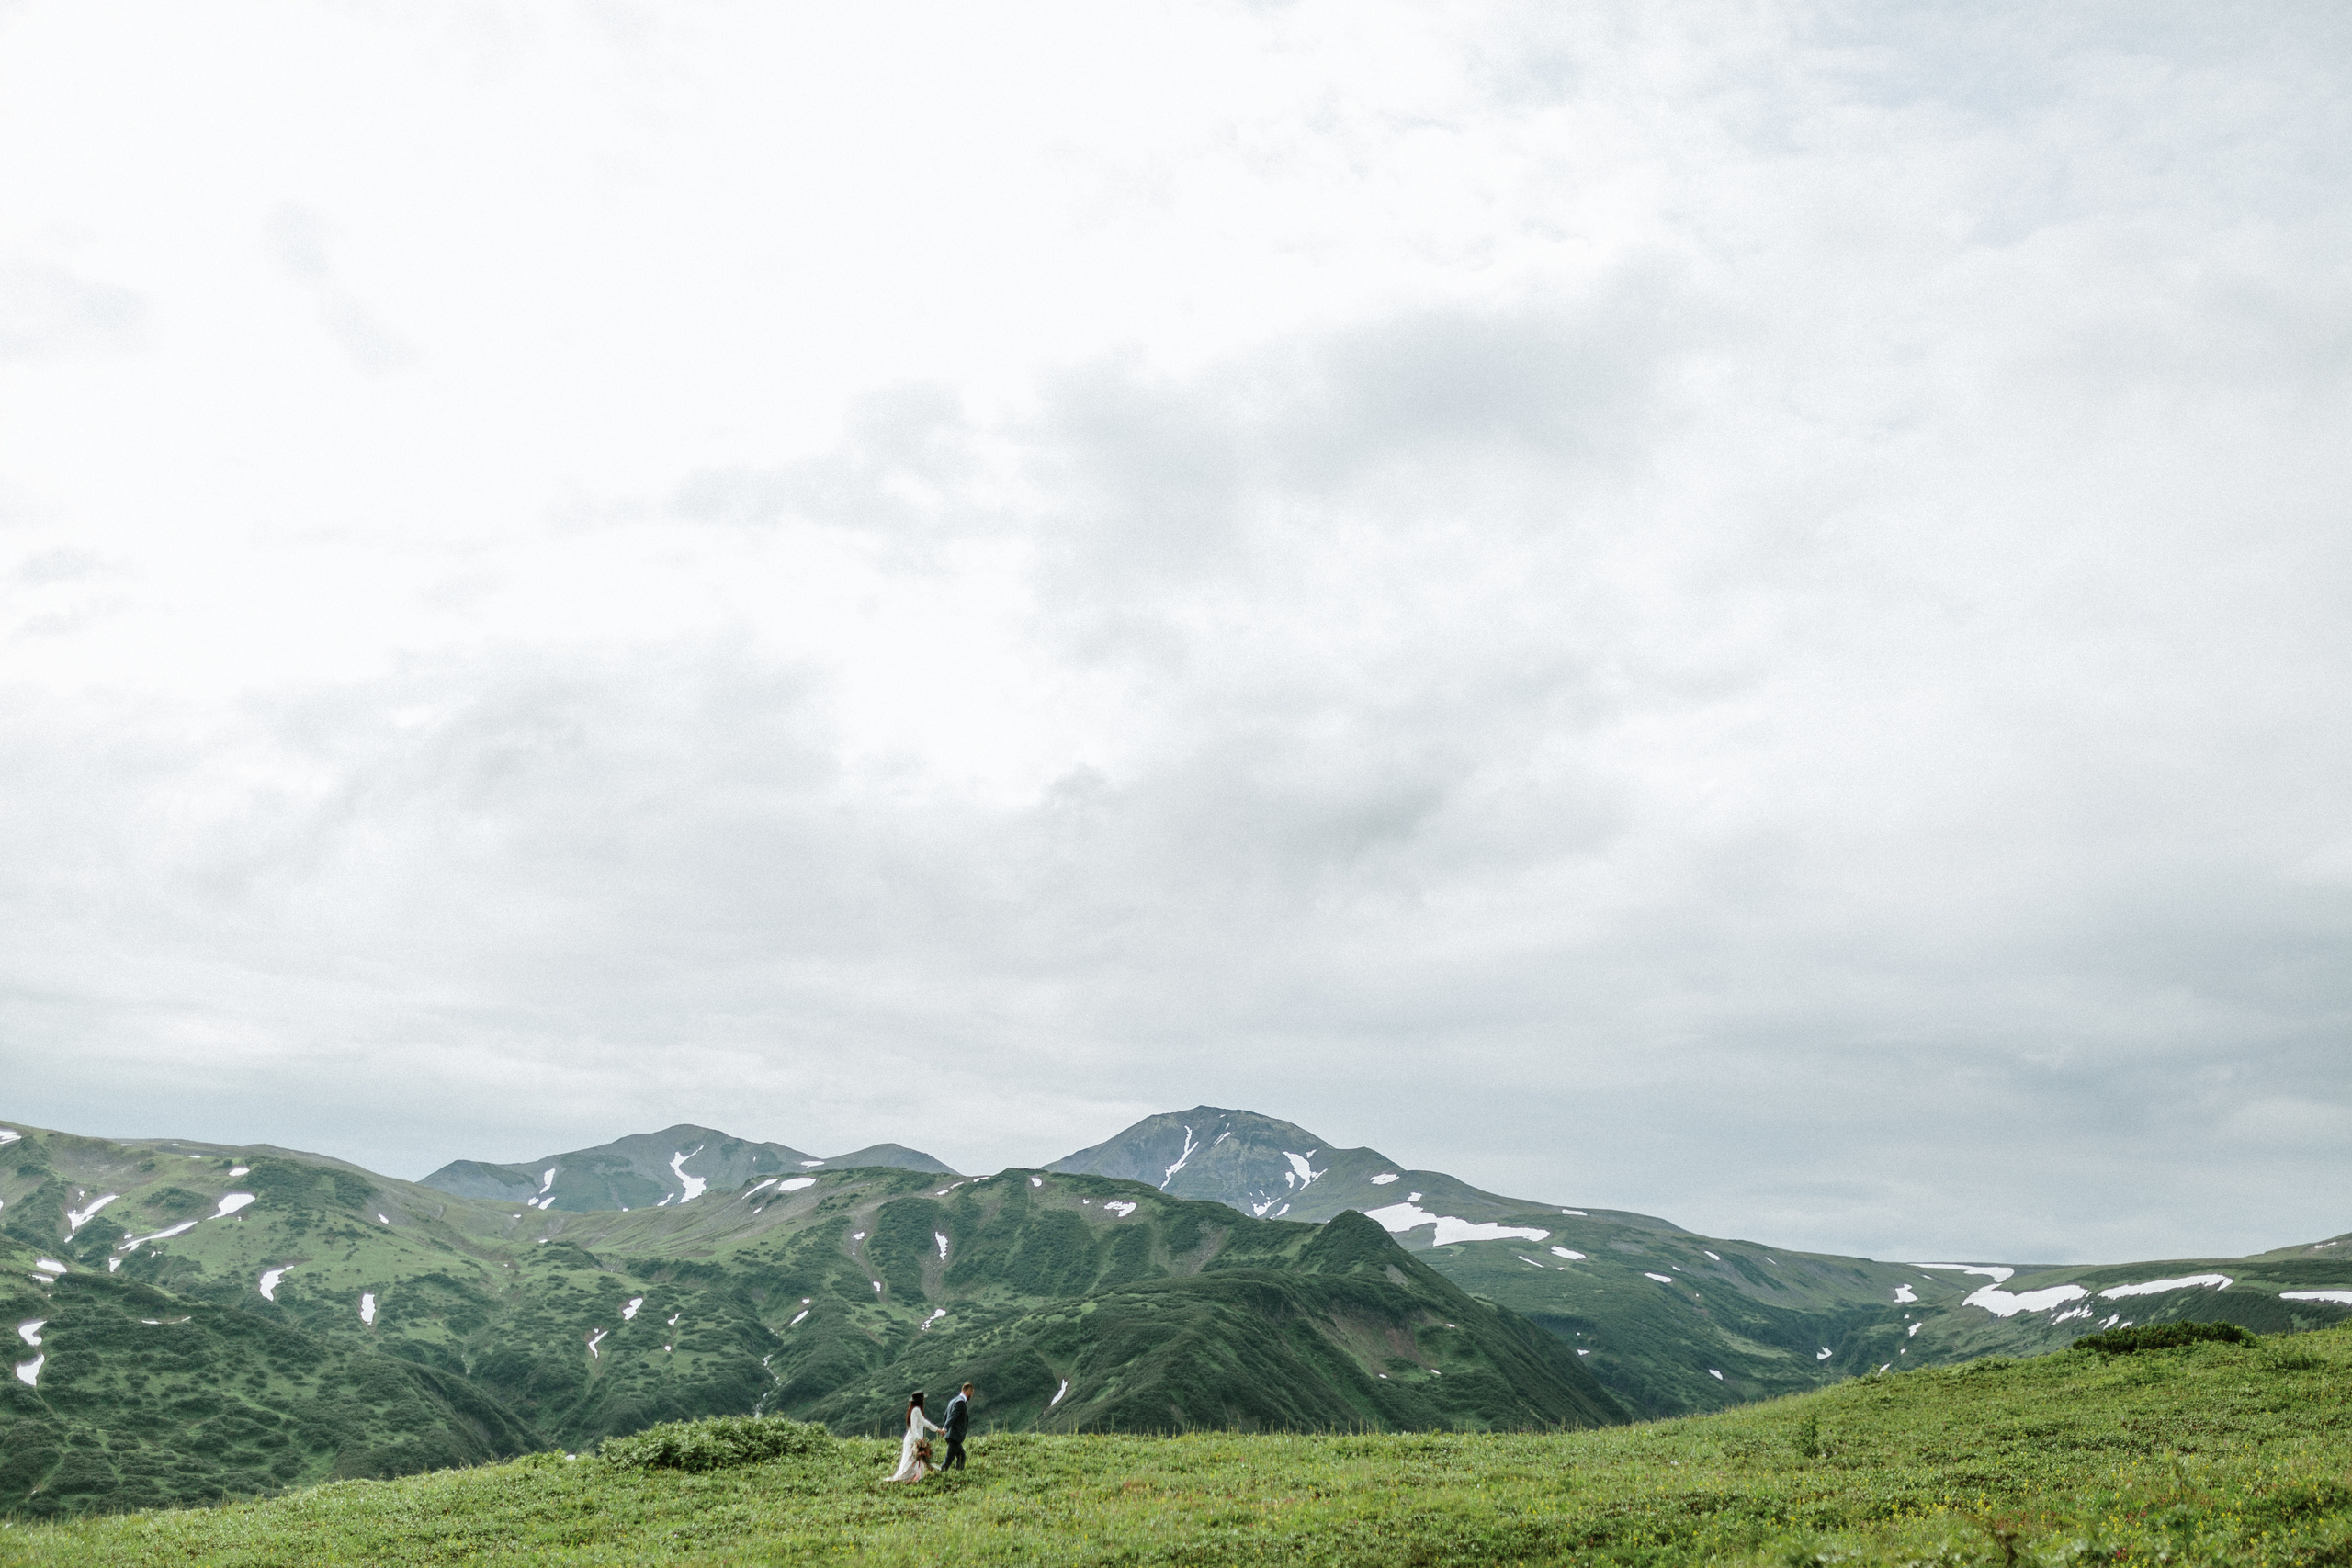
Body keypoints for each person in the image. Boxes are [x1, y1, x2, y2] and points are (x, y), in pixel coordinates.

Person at [887, 1390, 944, 1483]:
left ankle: (911, 1478)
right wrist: (919, 1441)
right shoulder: (916, 1410)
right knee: (910, 1460)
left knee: (911, 1460)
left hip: (914, 1439)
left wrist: (937, 1430)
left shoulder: (914, 1410)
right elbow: (914, 1427)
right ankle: (906, 1478)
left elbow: (924, 1422)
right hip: (913, 1440)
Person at [939, 1382, 974, 1471]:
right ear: (968, 1392)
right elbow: (952, 1417)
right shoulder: (960, 1403)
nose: (971, 1396)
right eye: (971, 1393)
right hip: (955, 1435)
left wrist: (947, 1429)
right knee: (948, 1459)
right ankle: (941, 1473)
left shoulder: (953, 1401)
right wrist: (945, 1428)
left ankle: (959, 1474)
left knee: (961, 1455)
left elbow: (946, 1416)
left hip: (950, 1435)